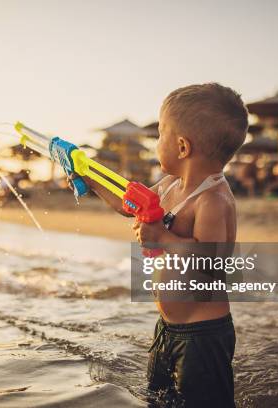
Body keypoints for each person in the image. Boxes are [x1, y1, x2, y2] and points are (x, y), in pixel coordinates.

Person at [84, 83, 247, 407]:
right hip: (168, 329)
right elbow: (129, 202)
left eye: (160, 135)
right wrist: (89, 176)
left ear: (182, 147)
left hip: (202, 336)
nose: (157, 143)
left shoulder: (212, 200)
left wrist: (163, 238)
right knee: (158, 399)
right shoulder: (172, 184)